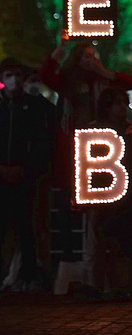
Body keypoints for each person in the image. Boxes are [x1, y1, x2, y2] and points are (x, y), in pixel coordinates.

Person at [40, 31, 132, 261]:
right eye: (85, 56)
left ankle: (98, 259)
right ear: (76, 59)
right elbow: (46, 74)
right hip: (72, 148)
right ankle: (70, 258)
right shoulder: (68, 80)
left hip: (101, 150)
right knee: (70, 202)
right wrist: (60, 47)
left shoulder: (103, 81)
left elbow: (129, 83)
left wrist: (104, 72)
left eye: (93, 56)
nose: (90, 61)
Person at [80, 88, 132, 300]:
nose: (122, 107)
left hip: (123, 193)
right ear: (107, 106)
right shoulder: (94, 129)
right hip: (97, 194)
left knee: (118, 240)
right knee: (96, 239)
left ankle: (119, 285)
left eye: (124, 102)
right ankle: (95, 285)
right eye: (117, 102)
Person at [0, 57, 54, 292]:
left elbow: (43, 140)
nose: (14, 80)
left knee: (26, 227)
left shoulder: (34, 105)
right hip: (2, 174)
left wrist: (26, 167)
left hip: (25, 175)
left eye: (18, 75)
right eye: (9, 75)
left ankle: (29, 276)